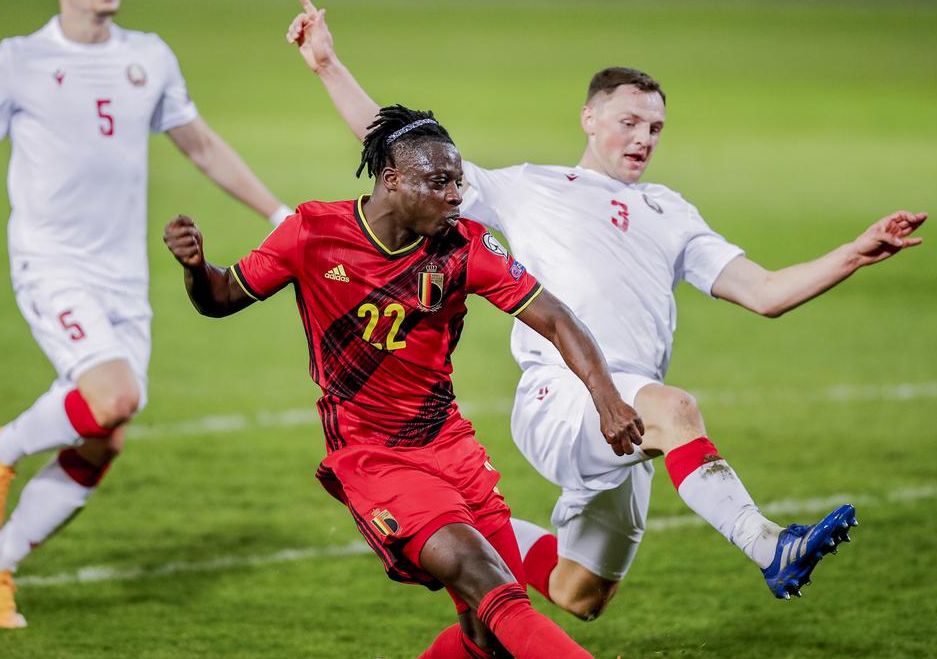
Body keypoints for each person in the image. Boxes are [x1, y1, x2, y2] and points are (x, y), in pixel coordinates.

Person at [287, 0, 928, 620]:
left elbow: (764, 293)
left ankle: (477, 533)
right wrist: (326, 65)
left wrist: (855, 252)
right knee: (677, 409)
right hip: (568, 396)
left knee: (580, 593)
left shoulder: (671, 211)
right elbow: (403, 148)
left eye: (654, 128)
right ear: (589, 118)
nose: (643, 138)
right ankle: (771, 546)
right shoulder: (529, 188)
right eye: (629, 122)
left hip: (630, 412)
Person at [0, 0, 292, 629]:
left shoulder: (149, 56)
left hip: (124, 280)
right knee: (115, 396)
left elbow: (201, 146)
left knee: (104, 437)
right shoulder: (15, 61)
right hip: (51, 262)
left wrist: (279, 217)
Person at [164, 105, 645, 657]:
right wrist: (198, 269)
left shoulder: (465, 248)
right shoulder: (314, 232)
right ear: (392, 181)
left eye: (458, 182)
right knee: (487, 581)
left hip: (451, 447)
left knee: (489, 638)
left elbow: (557, 317)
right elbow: (222, 297)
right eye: (439, 182)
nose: (456, 196)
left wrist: (606, 398)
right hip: (374, 456)